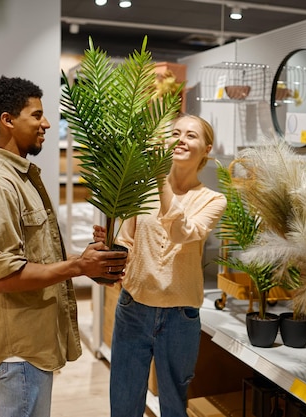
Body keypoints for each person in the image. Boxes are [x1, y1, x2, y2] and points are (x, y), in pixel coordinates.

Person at [0, 76, 127, 417]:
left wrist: (88, 260)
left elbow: (35, 254)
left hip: (31, 340)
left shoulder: (20, 178)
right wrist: (78, 266)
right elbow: (4, 277)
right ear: (7, 120)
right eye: (36, 115)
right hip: (18, 347)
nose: (46, 123)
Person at [93, 114, 227, 417]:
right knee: (124, 403)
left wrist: (159, 180)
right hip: (133, 308)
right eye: (176, 132)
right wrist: (112, 248)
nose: (181, 139)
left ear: (207, 149)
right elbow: (128, 241)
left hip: (180, 318)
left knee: (173, 406)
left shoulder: (213, 200)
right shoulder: (141, 191)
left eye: (191, 135)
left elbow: (183, 233)